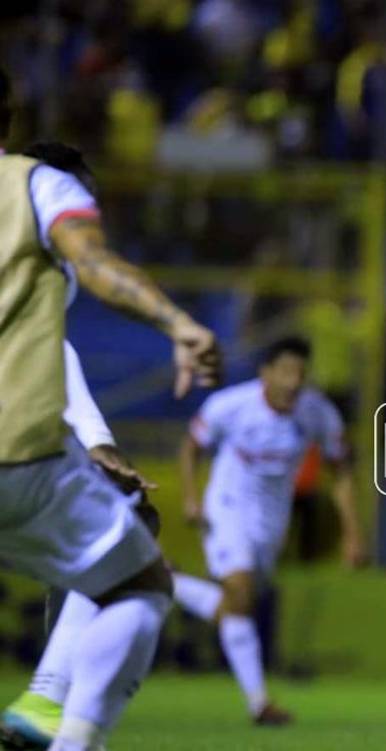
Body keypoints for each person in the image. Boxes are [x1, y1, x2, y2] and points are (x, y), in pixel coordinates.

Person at [0, 68, 221, 751]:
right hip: (15, 455)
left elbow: (55, 349)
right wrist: (179, 324)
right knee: (141, 580)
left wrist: (91, 439)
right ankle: (56, 716)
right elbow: (94, 268)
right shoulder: (37, 185)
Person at [172, 336, 366, 725]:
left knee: (237, 606)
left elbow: (340, 470)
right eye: (286, 372)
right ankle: (259, 702)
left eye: (300, 373)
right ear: (266, 373)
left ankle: (165, 582)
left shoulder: (317, 413)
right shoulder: (230, 405)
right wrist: (191, 498)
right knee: (239, 592)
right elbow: (191, 447)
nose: (293, 382)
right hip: (227, 506)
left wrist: (353, 533)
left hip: (271, 520)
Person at [1, 341, 158, 749]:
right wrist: (101, 445)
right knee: (134, 563)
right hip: (18, 465)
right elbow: (53, 355)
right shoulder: (32, 296)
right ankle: (48, 697)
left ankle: (50, 700)